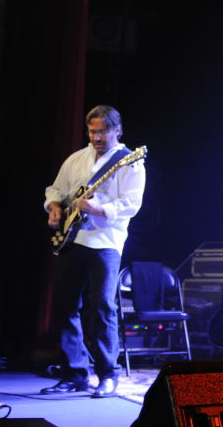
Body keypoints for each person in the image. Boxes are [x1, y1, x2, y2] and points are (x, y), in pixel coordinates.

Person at [41, 105, 145, 398]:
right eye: (92, 131)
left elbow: (131, 203)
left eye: (103, 132)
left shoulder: (130, 162)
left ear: (117, 130)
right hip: (72, 240)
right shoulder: (77, 158)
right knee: (64, 307)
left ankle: (108, 375)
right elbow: (56, 189)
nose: (97, 137)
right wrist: (55, 207)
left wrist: (99, 209)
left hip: (106, 242)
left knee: (102, 307)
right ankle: (74, 373)